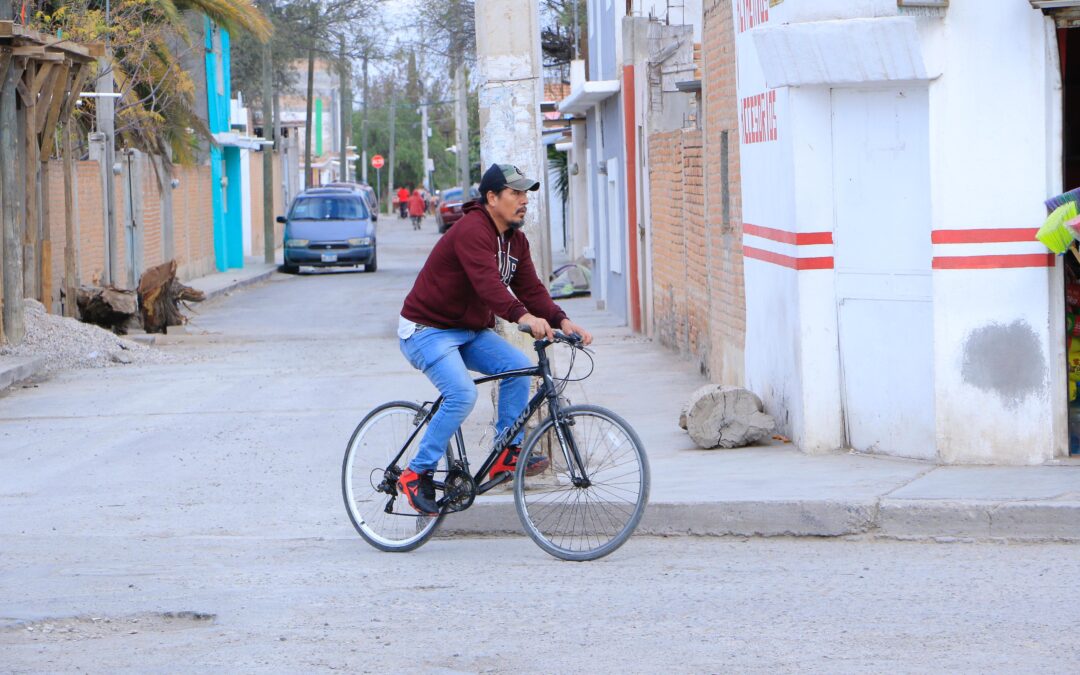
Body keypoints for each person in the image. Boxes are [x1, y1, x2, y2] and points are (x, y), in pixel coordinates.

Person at [395, 163, 593, 515]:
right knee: (461, 393)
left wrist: (562, 320)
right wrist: (523, 317)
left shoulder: (516, 241)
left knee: (519, 367)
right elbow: (488, 285)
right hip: (426, 329)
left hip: (468, 330)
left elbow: (531, 289)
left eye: (525, 194)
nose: (523, 201)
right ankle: (416, 471)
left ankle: (507, 450)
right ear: (491, 197)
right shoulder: (472, 230)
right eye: (515, 193)